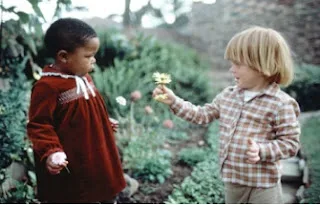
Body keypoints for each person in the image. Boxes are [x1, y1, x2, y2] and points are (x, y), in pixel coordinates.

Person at [152, 26, 300, 204]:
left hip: (263, 184)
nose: (231, 69)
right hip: (232, 180)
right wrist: (174, 101)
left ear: (261, 65)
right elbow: (202, 115)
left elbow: (290, 143)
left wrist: (262, 150)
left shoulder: (281, 104)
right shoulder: (228, 95)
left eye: (237, 64)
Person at [27, 18, 126, 203]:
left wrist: (103, 120)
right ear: (64, 57)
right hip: (73, 158)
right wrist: (51, 152)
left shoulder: (84, 78)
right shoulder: (47, 87)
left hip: (94, 150)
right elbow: (39, 124)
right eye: (88, 56)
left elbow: (88, 107)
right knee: (75, 194)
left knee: (100, 186)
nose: (94, 60)